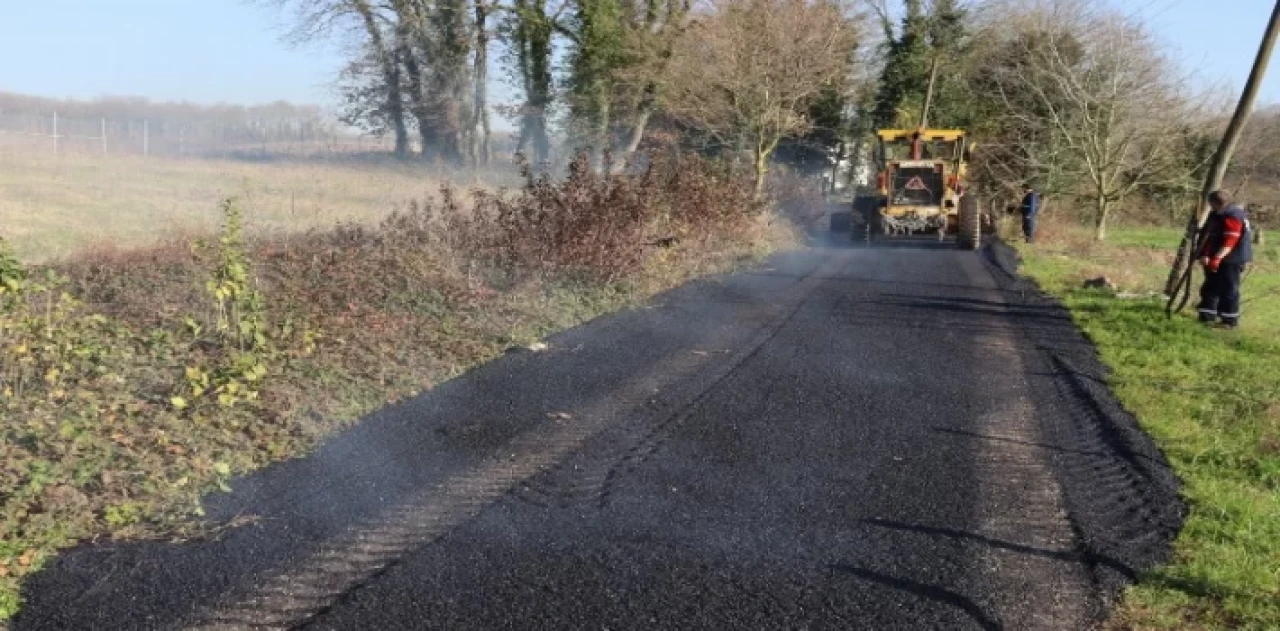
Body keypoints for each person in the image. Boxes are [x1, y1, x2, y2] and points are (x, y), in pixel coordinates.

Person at [1197, 190, 1253, 328]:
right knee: (1210, 287)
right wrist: (1205, 254)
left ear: (1215, 203)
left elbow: (1230, 240)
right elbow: (1210, 236)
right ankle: (1207, 316)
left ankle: (1229, 320)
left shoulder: (1233, 215)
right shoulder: (1218, 214)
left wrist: (1217, 258)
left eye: (1211, 204)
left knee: (1228, 288)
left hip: (1231, 259)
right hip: (1216, 256)